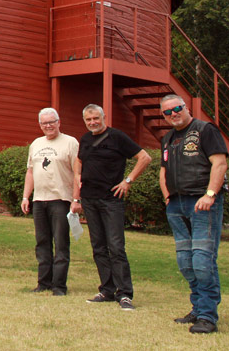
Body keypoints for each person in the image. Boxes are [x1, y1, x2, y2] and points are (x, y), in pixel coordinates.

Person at [159, 94, 228, 334]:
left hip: (202, 204)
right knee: (185, 263)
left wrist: (210, 194)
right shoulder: (167, 139)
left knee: (202, 260)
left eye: (176, 108)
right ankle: (198, 308)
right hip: (176, 205)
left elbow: (219, 163)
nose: (173, 114)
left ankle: (208, 316)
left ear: (186, 107)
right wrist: (167, 197)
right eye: (167, 112)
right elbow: (163, 170)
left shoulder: (205, 130)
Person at [73, 104, 151, 310]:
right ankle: (107, 289)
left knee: (116, 247)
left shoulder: (117, 137)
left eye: (96, 118)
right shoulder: (85, 139)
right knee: (98, 247)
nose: (92, 122)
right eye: (88, 120)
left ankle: (125, 294)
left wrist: (128, 181)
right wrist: (78, 177)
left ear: (103, 117)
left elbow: (145, 157)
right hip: (90, 199)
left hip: (111, 200)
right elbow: (78, 160)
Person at [21, 107, 79, 295]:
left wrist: (76, 199)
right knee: (42, 242)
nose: (48, 126)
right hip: (39, 200)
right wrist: (25, 196)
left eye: (51, 122)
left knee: (61, 243)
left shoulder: (70, 143)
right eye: (44, 123)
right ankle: (43, 282)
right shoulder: (36, 144)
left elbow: (78, 173)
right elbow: (30, 171)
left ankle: (59, 286)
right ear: (40, 125)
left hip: (61, 199)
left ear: (58, 122)